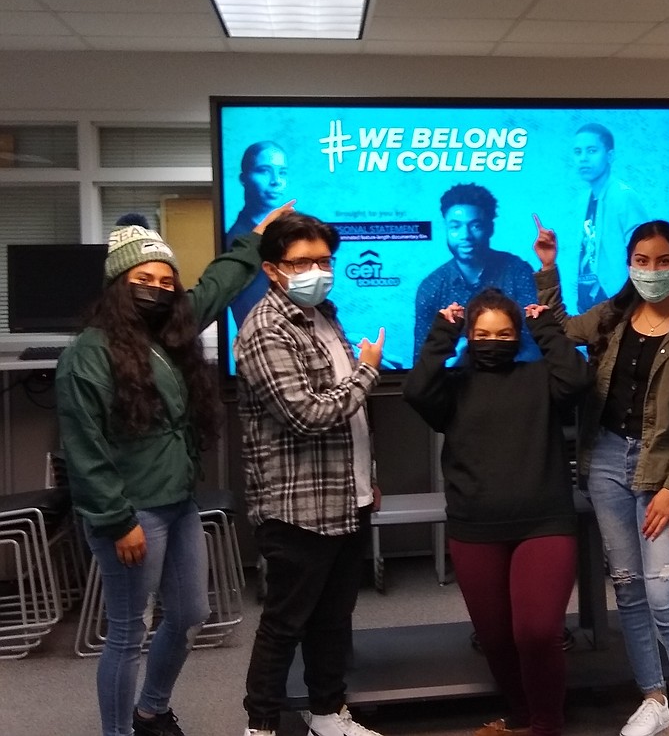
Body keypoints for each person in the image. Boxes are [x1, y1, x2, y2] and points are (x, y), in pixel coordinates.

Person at [56, 203, 292, 736]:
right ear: (120, 283)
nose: (159, 289)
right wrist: (118, 522)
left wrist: (254, 238)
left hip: (178, 502)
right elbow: (84, 449)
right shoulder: (88, 354)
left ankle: (151, 710)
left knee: (187, 616)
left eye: (166, 280)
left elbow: (216, 284)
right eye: (145, 279)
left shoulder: (170, 333)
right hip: (130, 513)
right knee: (125, 633)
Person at [532, 216, 669, 736]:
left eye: (663, 261)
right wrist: (548, 271)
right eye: (642, 261)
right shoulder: (616, 314)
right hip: (607, 462)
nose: (652, 271)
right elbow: (559, 329)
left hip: (664, 469)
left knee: (667, 596)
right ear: (629, 265)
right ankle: (653, 698)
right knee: (629, 589)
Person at [404, 288, 591, 736]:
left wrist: (545, 328)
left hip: (544, 523)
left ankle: (547, 725)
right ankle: (522, 719)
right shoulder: (451, 387)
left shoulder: (541, 377)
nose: (493, 340)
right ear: (469, 335)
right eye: (482, 333)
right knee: (496, 639)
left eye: (505, 333)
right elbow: (416, 390)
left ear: (518, 335)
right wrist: (441, 334)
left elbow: (578, 380)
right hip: (474, 528)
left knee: (537, 633)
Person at [234, 212, 387, 736]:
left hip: (348, 496)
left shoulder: (324, 314)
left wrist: (369, 478)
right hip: (297, 507)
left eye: (324, 260)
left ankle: (327, 712)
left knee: (334, 618)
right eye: (302, 262)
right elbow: (308, 413)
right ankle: (261, 726)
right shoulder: (264, 328)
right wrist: (369, 369)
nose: (316, 271)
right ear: (275, 270)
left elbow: (352, 415)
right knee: (285, 622)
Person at [413, 182, 538, 360]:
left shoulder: (518, 272)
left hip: (514, 380)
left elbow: (534, 346)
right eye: (455, 227)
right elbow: (421, 360)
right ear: (446, 229)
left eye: (475, 225)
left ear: (490, 228)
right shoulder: (431, 287)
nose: (465, 236)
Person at [565, 124, 650, 314]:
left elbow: (645, 254)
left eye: (592, 150)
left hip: (618, 303)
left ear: (610, 156)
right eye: (578, 152)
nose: (583, 158)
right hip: (586, 304)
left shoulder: (624, 197)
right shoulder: (581, 201)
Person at [226, 140, 289, 328]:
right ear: (244, 178)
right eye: (264, 171)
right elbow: (260, 322)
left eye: (282, 172)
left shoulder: (287, 234)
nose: (276, 181)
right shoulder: (237, 243)